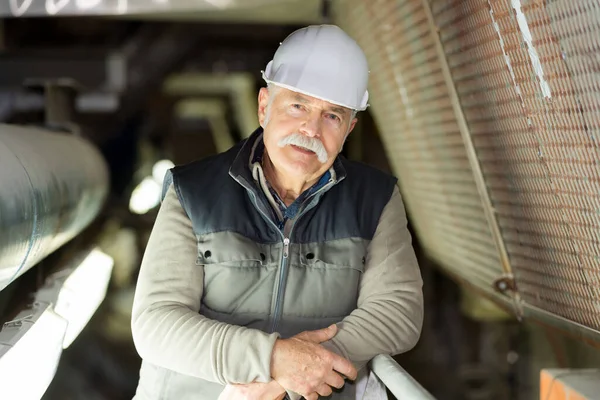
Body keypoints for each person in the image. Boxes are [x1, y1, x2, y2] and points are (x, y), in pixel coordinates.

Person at [131, 24, 424, 400]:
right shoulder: (192, 192)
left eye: (332, 116)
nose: (311, 129)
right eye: (298, 105)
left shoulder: (376, 198)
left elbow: (398, 310)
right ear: (264, 106)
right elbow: (156, 323)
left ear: (350, 128)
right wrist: (273, 360)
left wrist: (309, 366)